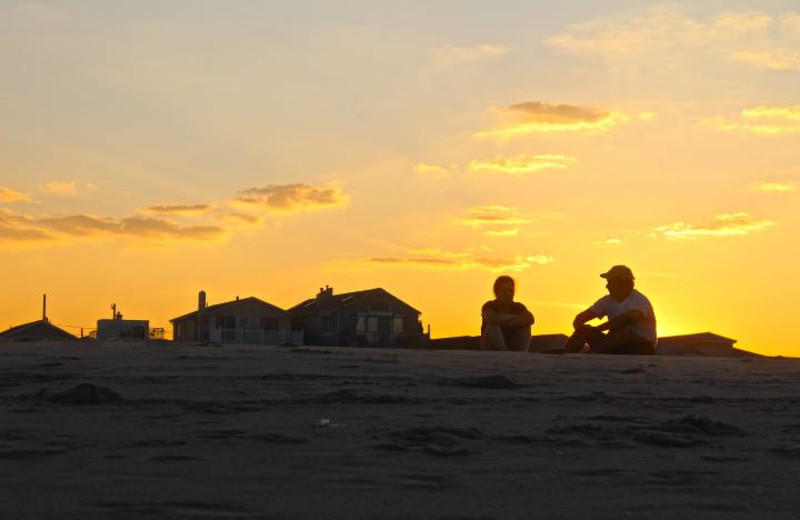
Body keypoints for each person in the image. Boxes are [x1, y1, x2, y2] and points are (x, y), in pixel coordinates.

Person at [565, 265, 657, 355]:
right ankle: (568, 352)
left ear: (623, 283)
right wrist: (582, 330)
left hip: (641, 346)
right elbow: (580, 318)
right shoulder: (607, 300)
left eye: (610, 282)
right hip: (613, 343)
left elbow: (625, 320)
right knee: (586, 331)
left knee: (623, 334)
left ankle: (592, 354)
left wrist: (596, 329)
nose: (607, 286)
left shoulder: (639, 299)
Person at [480, 276, 534, 351]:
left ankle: (521, 355)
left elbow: (530, 319)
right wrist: (516, 319)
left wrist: (503, 320)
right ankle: (504, 354)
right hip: (490, 348)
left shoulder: (518, 307)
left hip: (511, 345)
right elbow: (492, 319)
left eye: (511, 291)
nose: (508, 294)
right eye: (504, 291)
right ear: (496, 292)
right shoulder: (489, 305)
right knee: (492, 326)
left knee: (526, 327)